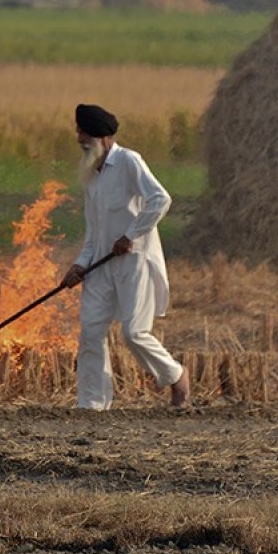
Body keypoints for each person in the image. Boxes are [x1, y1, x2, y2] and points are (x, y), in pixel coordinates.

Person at [61, 103, 190, 410]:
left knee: (133, 333)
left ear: (103, 138)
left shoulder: (130, 161)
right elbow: (93, 231)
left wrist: (130, 235)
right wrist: (80, 264)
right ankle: (92, 406)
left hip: (135, 262)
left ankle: (176, 376)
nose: (79, 138)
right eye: (78, 132)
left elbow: (160, 199)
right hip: (100, 266)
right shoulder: (91, 175)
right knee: (91, 330)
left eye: (84, 134)